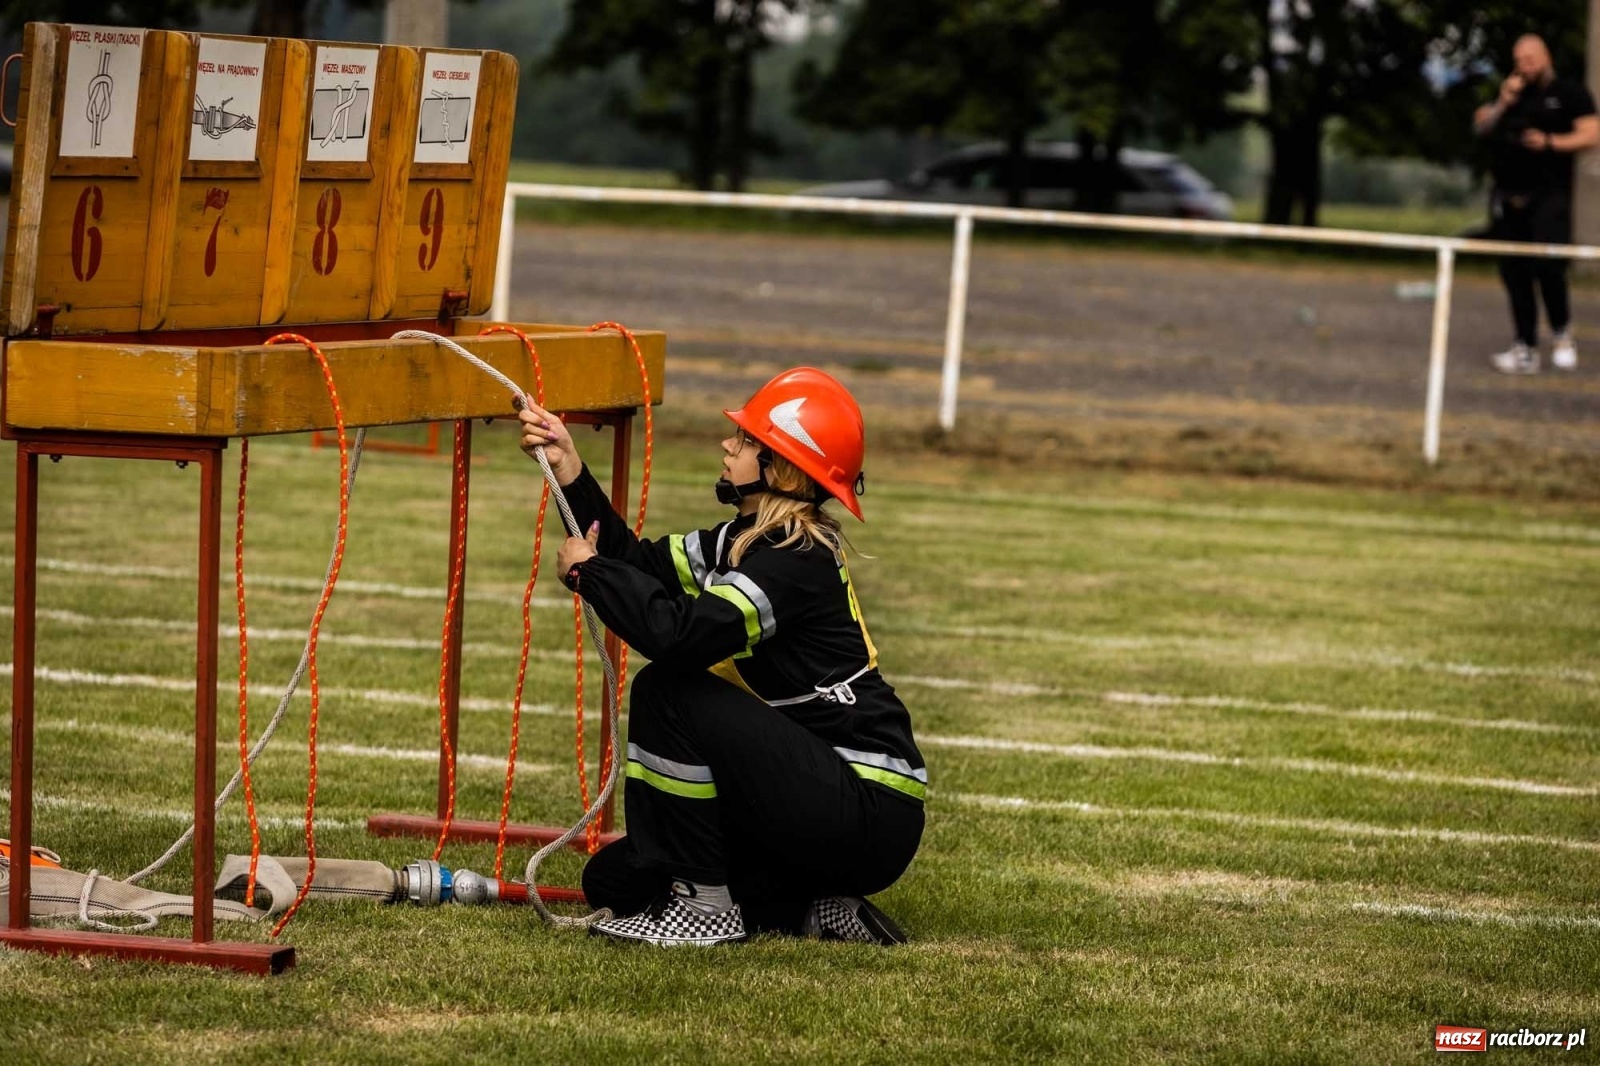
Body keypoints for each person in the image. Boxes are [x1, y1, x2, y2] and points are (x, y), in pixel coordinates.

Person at [516, 367, 925, 946]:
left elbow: (678, 637)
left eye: (746, 440)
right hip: (829, 803)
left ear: (780, 467)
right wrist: (570, 470)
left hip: (868, 810)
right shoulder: (749, 539)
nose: (727, 444)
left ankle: (706, 912)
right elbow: (636, 562)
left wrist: (589, 573)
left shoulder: (792, 559)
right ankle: (811, 906)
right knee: (617, 880)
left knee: (668, 689)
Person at [1474, 33, 1599, 375]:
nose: (1524, 66)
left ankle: (1561, 334)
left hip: (1549, 195)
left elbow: (1592, 134)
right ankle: (1524, 346)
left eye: (1530, 58)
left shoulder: (1570, 93)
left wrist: (1549, 142)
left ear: (1546, 57)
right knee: (1514, 273)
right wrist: (1503, 102)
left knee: (1549, 267)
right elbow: (1482, 125)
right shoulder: (1511, 95)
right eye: (1519, 60)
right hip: (1507, 195)